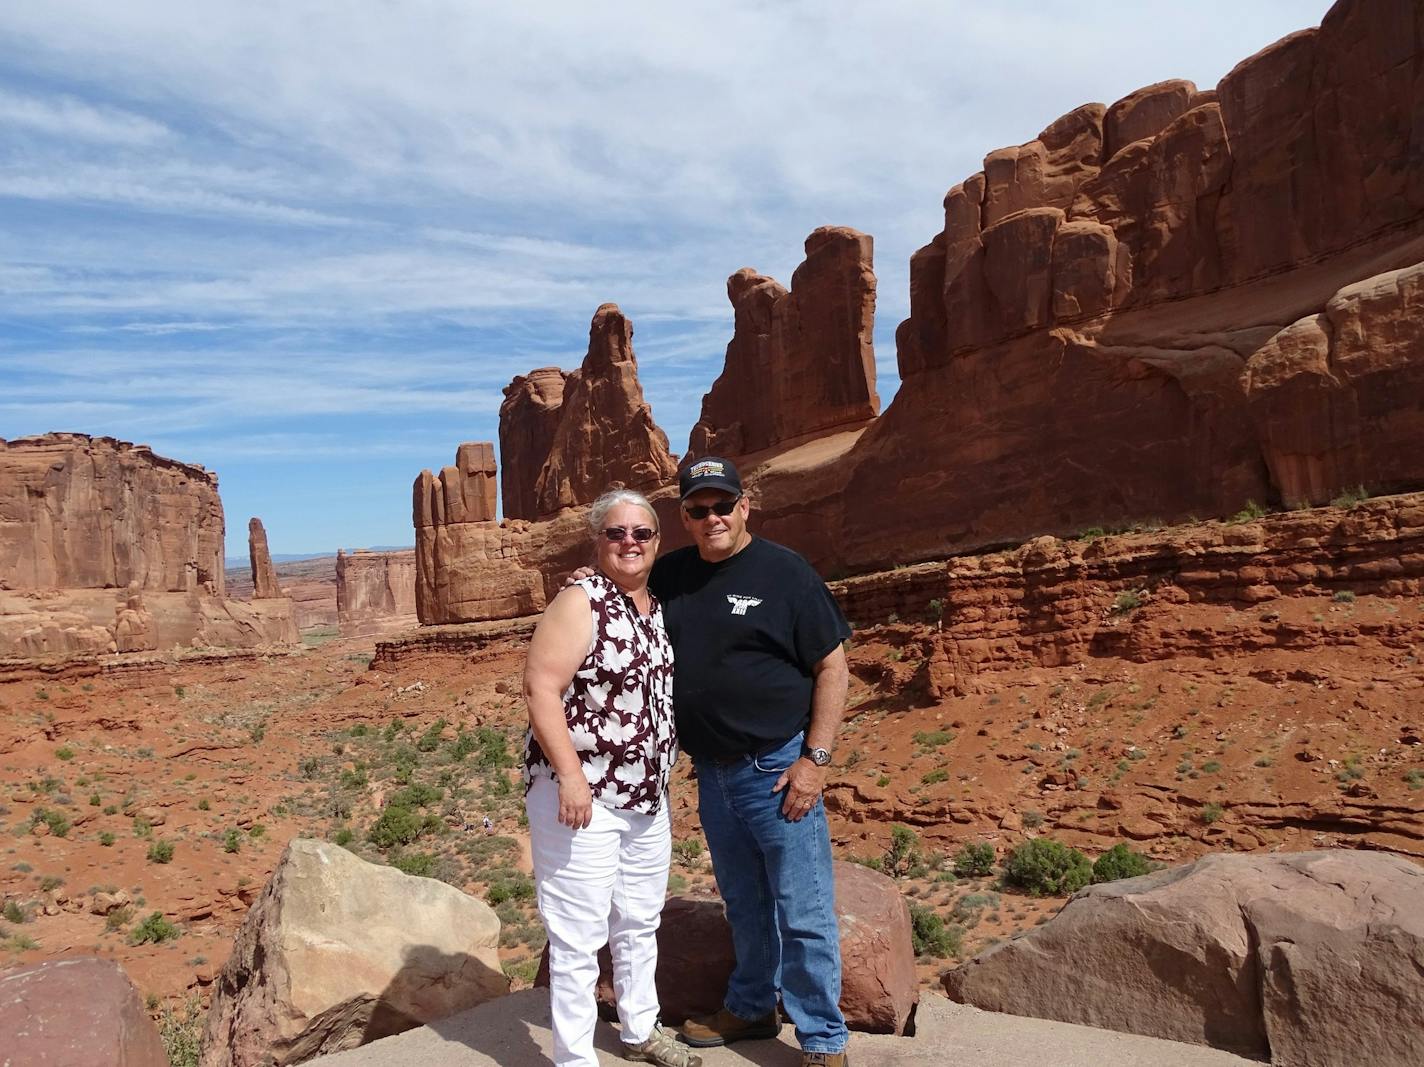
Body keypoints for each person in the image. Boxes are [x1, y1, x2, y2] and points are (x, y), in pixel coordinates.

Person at [655, 457, 852, 1067]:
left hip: (776, 771)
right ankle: (750, 1007)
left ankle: (822, 1039)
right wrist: (590, 577)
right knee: (743, 902)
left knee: (804, 907)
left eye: (722, 505)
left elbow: (833, 667)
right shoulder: (671, 577)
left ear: (745, 507)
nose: (711, 517)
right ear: (684, 517)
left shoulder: (786, 573)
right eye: (698, 508)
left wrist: (814, 762)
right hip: (712, 774)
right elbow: (612, 602)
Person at [523, 488, 700, 1067]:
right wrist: (571, 777)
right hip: (583, 797)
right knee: (577, 936)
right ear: (597, 541)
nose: (629, 542)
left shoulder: (656, 606)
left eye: (641, 533)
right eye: (615, 533)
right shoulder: (581, 600)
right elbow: (539, 687)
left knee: (639, 921)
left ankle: (639, 1031)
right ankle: (575, 1058)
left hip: (646, 798)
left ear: (657, 542)